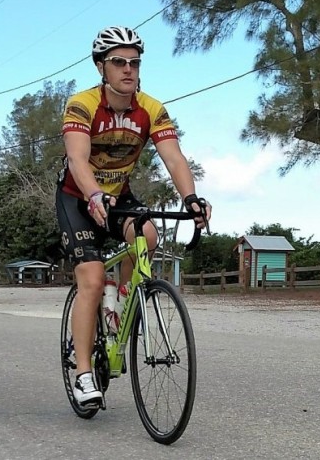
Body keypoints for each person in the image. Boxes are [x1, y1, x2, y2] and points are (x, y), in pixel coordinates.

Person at [55, 26, 211, 405]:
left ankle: (123, 304)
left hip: (118, 197)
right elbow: (77, 158)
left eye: (135, 62)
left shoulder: (151, 109)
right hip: (77, 197)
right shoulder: (82, 104)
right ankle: (83, 374)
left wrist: (191, 198)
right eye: (118, 62)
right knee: (91, 279)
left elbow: (173, 157)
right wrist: (93, 194)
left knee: (149, 236)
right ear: (101, 67)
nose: (128, 69)